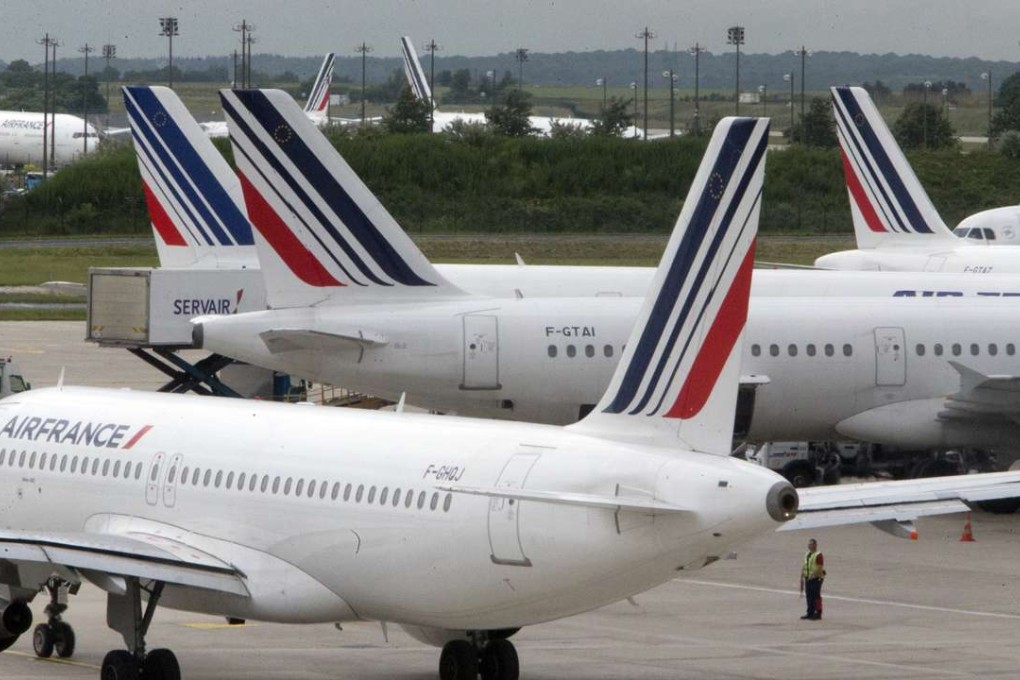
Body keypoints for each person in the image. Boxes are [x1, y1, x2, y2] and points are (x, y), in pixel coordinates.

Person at [800, 538, 825, 620]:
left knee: (816, 595)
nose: (809, 546)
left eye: (811, 544)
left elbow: (820, 566)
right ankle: (810, 612)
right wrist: (802, 574)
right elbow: (805, 565)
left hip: (816, 578)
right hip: (808, 577)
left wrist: (814, 575)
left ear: (815, 545)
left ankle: (818, 613)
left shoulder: (818, 555)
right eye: (809, 544)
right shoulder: (807, 554)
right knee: (809, 595)